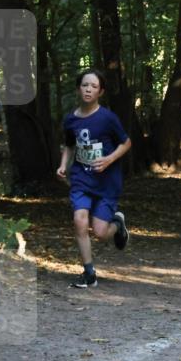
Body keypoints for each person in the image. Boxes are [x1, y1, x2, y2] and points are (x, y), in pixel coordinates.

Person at [56, 69, 132, 288]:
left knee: (100, 232)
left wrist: (109, 160)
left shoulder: (107, 118)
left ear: (100, 92)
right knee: (79, 220)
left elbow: (126, 143)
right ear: (78, 88)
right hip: (81, 178)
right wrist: (63, 165)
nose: (88, 89)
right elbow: (70, 145)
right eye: (85, 85)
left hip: (107, 181)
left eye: (94, 86)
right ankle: (89, 273)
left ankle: (117, 223)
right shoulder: (71, 119)